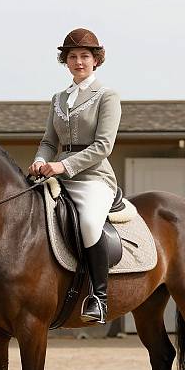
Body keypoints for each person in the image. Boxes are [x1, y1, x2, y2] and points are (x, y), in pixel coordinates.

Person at [29, 28, 122, 324]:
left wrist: (63, 166)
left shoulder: (107, 96)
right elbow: (48, 141)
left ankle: (100, 298)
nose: (79, 61)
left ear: (96, 60)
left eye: (85, 56)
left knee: (89, 223)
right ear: (65, 61)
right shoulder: (58, 98)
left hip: (95, 178)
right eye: (73, 56)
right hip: (58, 174)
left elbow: (104, 146)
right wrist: (40, 160)